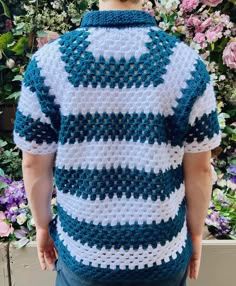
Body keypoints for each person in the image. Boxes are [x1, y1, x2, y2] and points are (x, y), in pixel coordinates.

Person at [13, 0, 221, 285]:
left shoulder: (50, 62)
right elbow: (200, 169)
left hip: (84, 253)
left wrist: (41, 226)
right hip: (162, 253)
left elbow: (33, 162)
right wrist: (195, 235)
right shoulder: (185, 64)